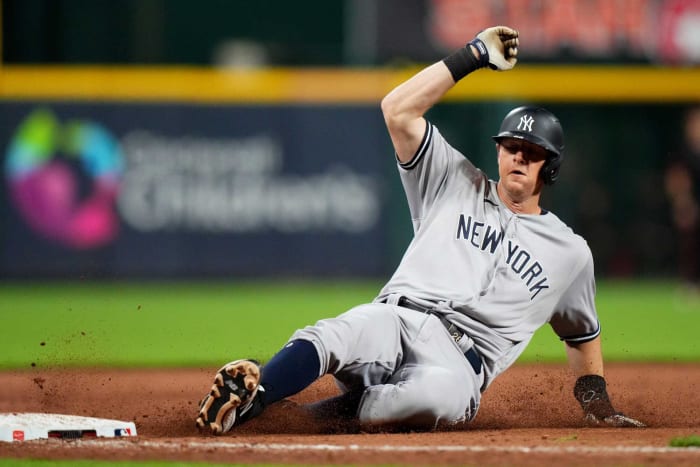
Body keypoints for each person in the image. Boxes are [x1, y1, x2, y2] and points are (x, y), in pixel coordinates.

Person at [195, 26, 645, 435]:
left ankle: (301, 418)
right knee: (336, 333)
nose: (518, 157)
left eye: (532, 151)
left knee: (422, 400)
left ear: (552, 166)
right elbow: (397, 110)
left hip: (459, 367)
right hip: (398, 317)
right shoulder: (453, 180)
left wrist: (597, 403)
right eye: (511, 147)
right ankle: (254, 398)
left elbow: (581, 336)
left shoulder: (570, 252)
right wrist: (472, 56)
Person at [664, 106, 700, 291]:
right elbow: (675, 179)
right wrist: (682, 201)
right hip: (692, 206)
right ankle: (689, 281)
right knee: (687, 222)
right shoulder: (683, 152)